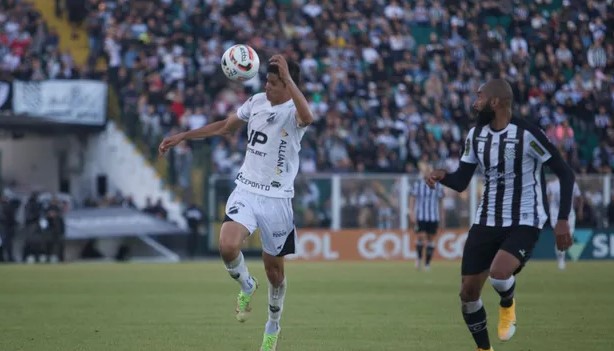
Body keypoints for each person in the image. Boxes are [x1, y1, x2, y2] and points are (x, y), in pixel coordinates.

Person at [159, 54, 313, 351]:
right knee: (227, 245)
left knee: (276, 275)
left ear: (288, 84)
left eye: (273, 82)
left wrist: (290, 79)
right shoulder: (256, 102)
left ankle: (273, 324)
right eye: (266, 81)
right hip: (247, 189)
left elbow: (309, 118)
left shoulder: (295, 110)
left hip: (277, 199)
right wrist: (183, 136)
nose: (266, 87)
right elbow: (225, 127)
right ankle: (246, 285)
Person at [426, 79, 574, 351]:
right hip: (486, 220)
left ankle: (507, 304)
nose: (474, 103)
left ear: (495, 102)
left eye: (479, 97)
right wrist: (443, 175)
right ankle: (484, 349)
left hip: (524, 219)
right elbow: (461, 181)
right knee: (468, 294)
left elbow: (565, 172)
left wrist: (562, 219)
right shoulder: (475, 136)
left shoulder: (528, 134)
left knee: (498, 274)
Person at [409, 164, 445, 271]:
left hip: (433, 216)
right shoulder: (417, 185)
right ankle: (419, 259)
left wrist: (442, 216)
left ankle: (427, 263)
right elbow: (412, 199)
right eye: (426, 171)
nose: (427, 173)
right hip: (421, 216)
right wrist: (411, 213)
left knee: (430, 239)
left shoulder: (438, 186)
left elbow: (441, 202)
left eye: (429, 171)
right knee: (420, 236)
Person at [546, 178, 583, 270]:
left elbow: (579, 198)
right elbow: (545, 198)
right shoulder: (551, 185)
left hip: (569, 214)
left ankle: (561, 256)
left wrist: (580, 210)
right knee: (561, 235)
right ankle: (561, 259)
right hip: (555, 214)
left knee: (568, 236)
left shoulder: (573, 184)